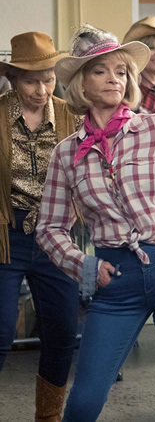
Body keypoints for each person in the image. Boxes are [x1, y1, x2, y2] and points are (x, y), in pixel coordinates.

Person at [36, 24, 155, 421]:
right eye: (100, 71)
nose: (114, 79)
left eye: (121, 71)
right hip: (116, 281)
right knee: (84, 401)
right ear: (80, 85)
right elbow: (50, 228)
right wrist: (85, 266)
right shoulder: (66, 153)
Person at [0, 31, 81, 421]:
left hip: (55, 234)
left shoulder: (69, 116)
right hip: (6, 235)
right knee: (0, 333)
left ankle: (48, 417)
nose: (42, 89)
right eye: (31, 80)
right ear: (13, 79)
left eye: (48, 78)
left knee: (64, 331)